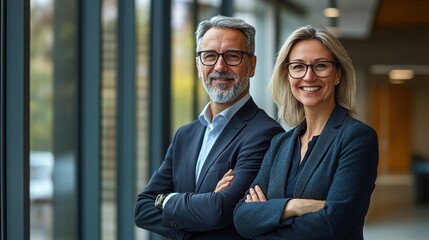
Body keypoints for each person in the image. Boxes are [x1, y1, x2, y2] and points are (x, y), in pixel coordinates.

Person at [134, 15, 284, 240]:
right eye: (210, 56)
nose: (220, 66)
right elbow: (142, 209)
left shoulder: (266, 134)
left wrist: (166, 200)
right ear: (198, 65)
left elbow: (219, 211)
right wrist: (203, 208)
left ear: (252, 65)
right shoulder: (185, 135)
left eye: (232, 56)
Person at [233, 25, 379, 239]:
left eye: (320, 66)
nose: (309, 77)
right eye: (298, 66)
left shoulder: (357, 138)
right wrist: (293, 206)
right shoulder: (279, 144)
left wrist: (267, 216)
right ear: (288, 74)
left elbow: (332, 225)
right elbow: (242, 218)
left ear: (337, 74)